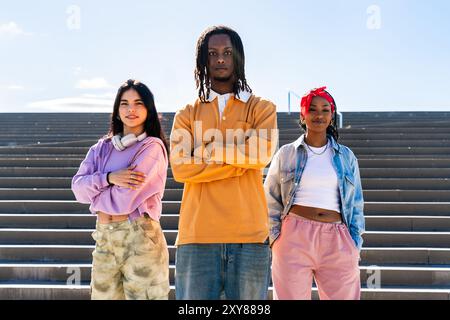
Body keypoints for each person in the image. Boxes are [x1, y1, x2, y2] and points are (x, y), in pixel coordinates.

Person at [170, 25, 278, 300]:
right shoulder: (186, 113)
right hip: (196, 236)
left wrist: (208, 148)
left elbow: (261, 154)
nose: (220, 59)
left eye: (227, 52)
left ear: (237, 57)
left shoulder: (262, 108)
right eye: (213, 53)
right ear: (203, 60)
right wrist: (241, 159)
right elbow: (181, 168)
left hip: (250, 237)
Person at [72, 79, 170, 300]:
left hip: (140, 238)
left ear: (149, 109)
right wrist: (109, 178)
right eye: (124, 103)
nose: (131, 109)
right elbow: (78, 189)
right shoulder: (101, 148)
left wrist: (95, 194)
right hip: (104, 239)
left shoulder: (151, 147)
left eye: (138, 103)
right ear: (117, 110)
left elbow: (125, 199)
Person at [264, 86, 365, 300]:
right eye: (312, 109)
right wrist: (276, 239)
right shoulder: (287, 153)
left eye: (325, 110)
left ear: (331, 115)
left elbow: (356, 203)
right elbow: (270, 198)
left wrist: (354, 242)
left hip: (338, 239)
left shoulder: (347, 157)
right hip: (293, 237)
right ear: (303, 114)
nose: (319, 114)